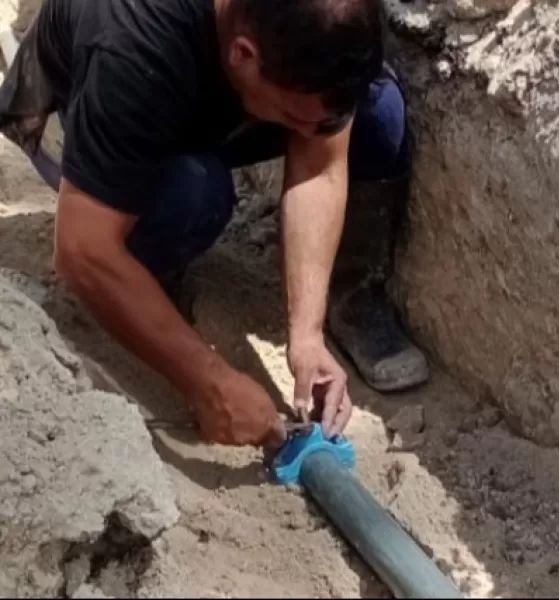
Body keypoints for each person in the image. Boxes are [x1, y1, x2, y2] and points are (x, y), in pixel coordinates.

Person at [0, 0, 431, 448]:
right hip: (86, 101)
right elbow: (81, 249)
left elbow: (320, 163)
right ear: (243, 55)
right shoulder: (132, 43)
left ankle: (351, 301)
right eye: (295, 117)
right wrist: (208, 383)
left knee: (377, 113)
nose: (309, 130)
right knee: (194, 193)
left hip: (208, 89)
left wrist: (307, 333)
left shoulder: (317, 22)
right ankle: (145, 279)